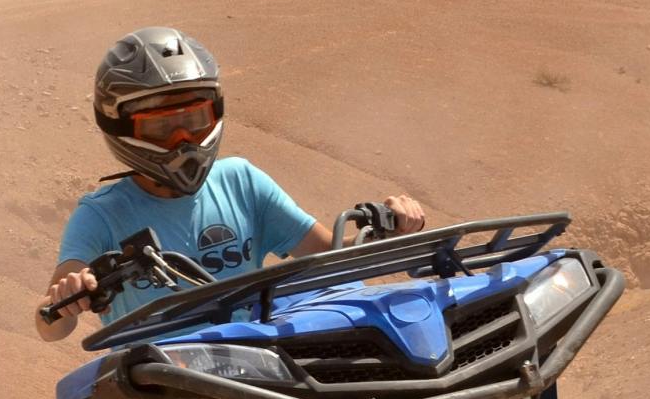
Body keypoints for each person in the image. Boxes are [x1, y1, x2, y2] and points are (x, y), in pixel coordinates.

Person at [37, 26, 425, 340]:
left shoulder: (240, 180)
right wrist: (69, 296)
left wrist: (390, 228)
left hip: (258, 365)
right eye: (160, 128)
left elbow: (329, 261)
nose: (183, 141)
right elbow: (50, 325)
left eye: (193, 121)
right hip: (169, 386)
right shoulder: (102, 215)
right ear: (118, 127)